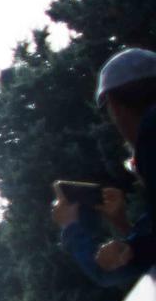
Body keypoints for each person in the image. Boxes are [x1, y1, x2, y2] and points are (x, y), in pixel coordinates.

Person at [53, 48, 155, 287]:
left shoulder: (151, 131)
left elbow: (115, 270)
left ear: (116, 106)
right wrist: (122, 225)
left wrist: (71, 227)